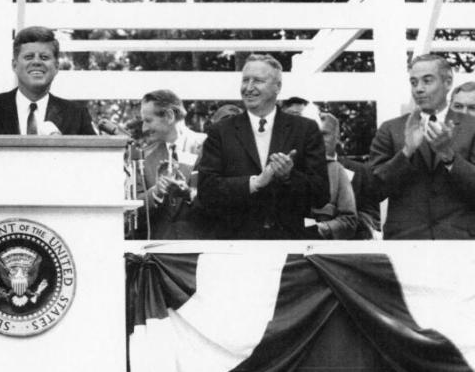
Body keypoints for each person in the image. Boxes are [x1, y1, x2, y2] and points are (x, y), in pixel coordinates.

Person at [197, 54, 329, 239]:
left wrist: (289, 176)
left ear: (278, 87)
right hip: (234, 244)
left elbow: (321, 195)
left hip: (289, 244)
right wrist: (255, 183)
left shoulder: (305, 129)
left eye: (258, 81)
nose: (249, 88)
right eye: (245, 80)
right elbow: (206, 192)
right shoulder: (220, 131)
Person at [369, 54, 475, 239]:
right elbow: (372, 190)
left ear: (448, 82)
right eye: (414, 82)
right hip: (405, 242)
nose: (419, 89)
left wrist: (449, 157)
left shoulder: (471, 127)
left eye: (427, 81)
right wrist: (406, 152)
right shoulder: (391, 129)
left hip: (460, 243)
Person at [0, 26, 96, 135]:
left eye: (44, 57)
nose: (36, 62)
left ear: (56, 67)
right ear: (14, 65)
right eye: (29, 57)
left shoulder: (77, 115)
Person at [135, 90, 201, 239]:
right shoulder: (143, 157)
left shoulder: (208, 146)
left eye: (148, 120)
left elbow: (221, 199)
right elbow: (133, 210)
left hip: (200, 250)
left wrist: (189, 193)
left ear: (170, 116)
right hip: (158, 254)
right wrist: (155, 192)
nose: (143, 128)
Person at [306, 112, 358, 239]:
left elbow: (350, 219)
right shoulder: (286, 167)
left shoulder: (337, 170)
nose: (318, 139)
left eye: (324, 134)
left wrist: (324, 228)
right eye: (313, 134)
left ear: (337, 136)